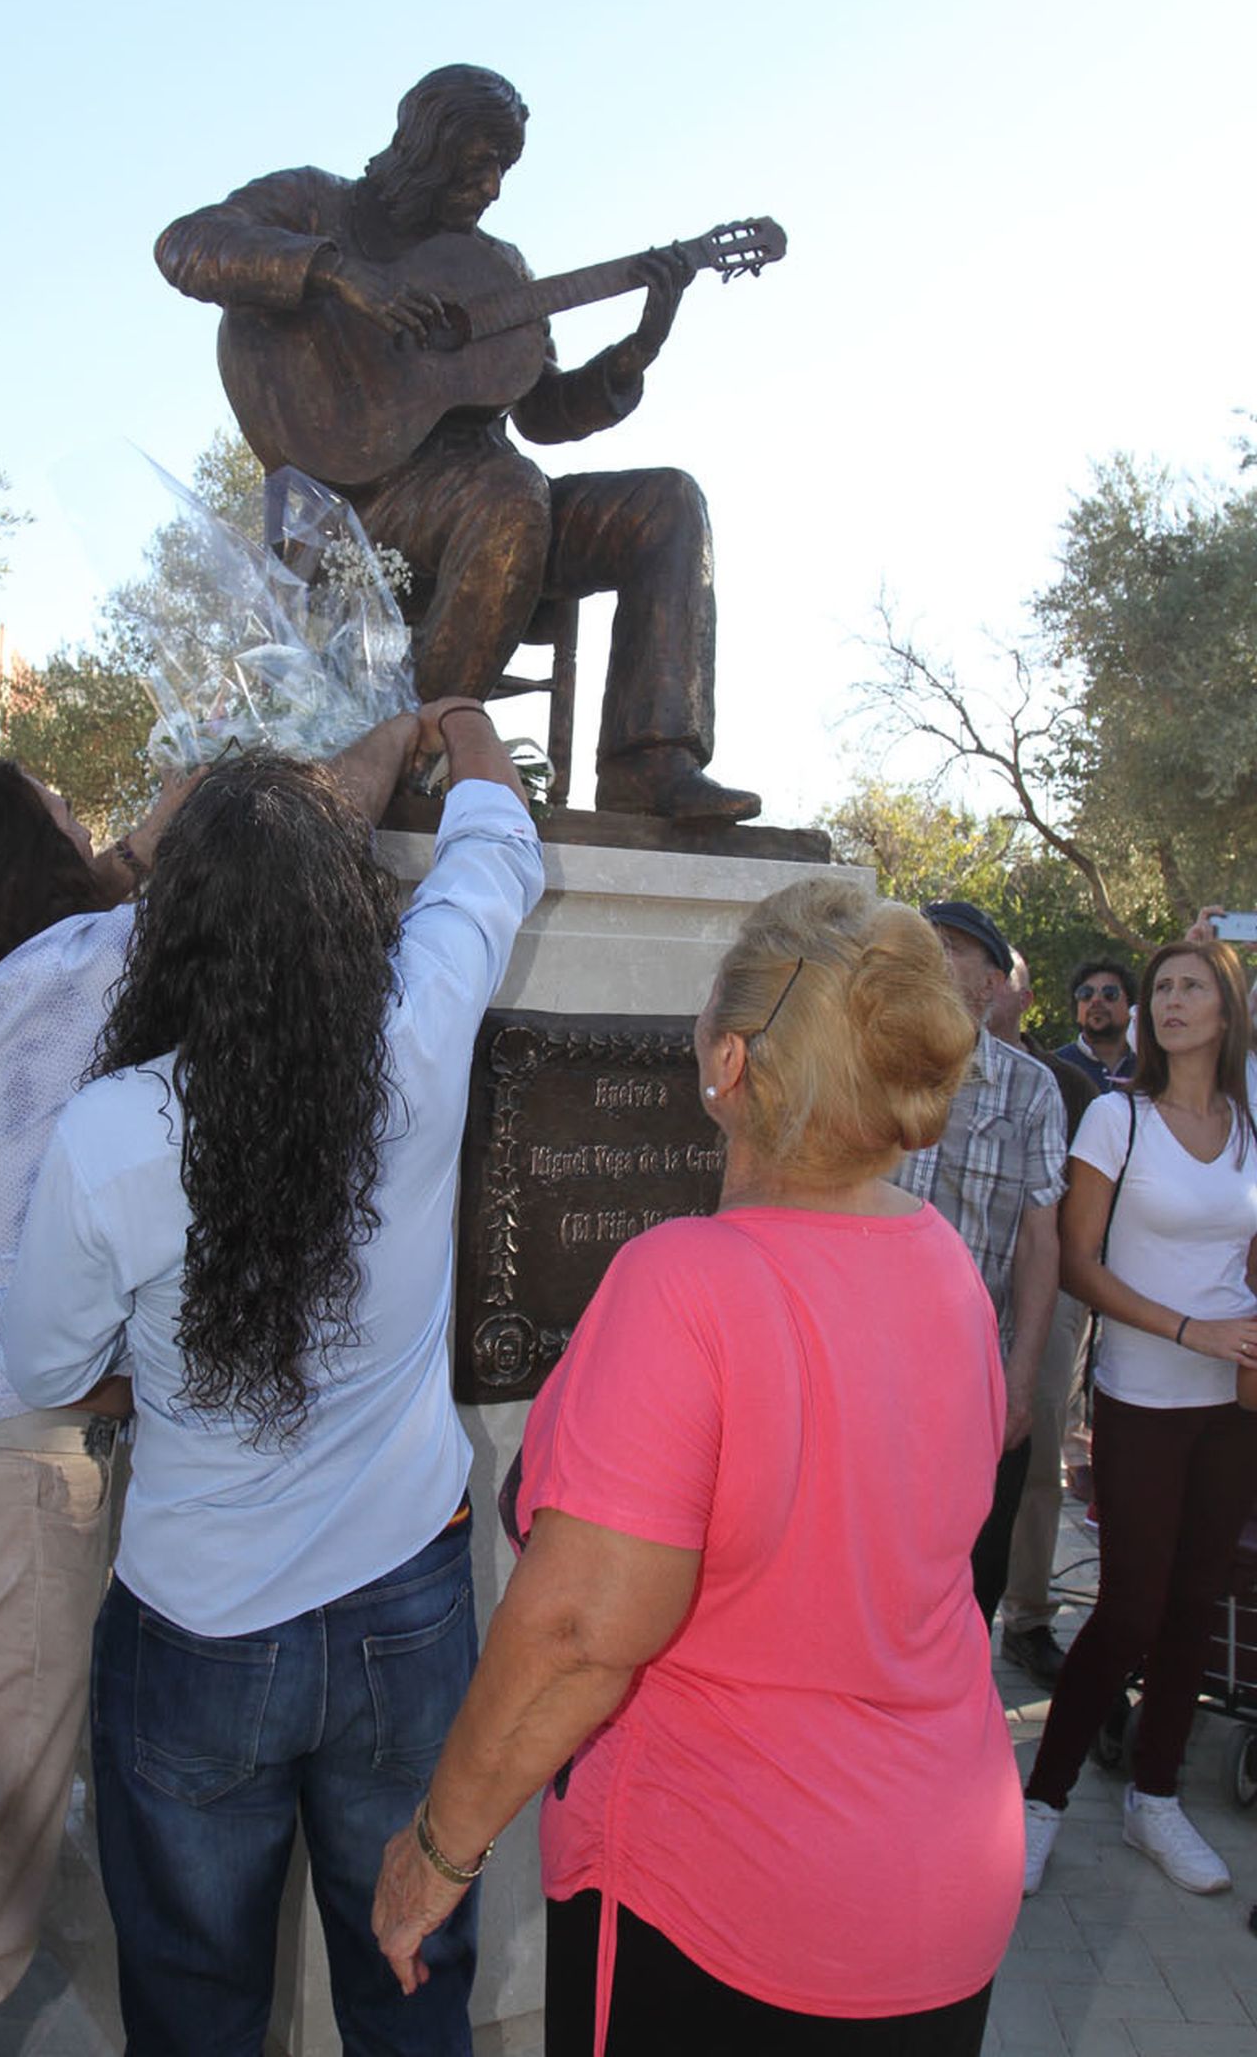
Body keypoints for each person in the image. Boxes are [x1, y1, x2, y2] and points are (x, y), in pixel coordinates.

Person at [0, 731, 416, 2057]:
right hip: (2, 1479)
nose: (80, 817)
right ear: (16, 862)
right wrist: (401, 731)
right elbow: (272, 850)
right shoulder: (54, 978)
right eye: (53, 809)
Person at [371, 875, 1021, 2055]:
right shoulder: (947, 1271)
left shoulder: (686, 1285)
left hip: (728, 1906)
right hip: (941, 1889)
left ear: (727, 1061)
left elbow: (575, 1633)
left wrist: (435, 1850)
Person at [1, 703, 542, 2057]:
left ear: (170, 930)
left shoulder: (112, 1129)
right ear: (344, 908)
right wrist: (465, 733)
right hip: (405, 1619)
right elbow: (495, 854)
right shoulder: (411, 1042)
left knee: (193, 2003)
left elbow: (46, 1365)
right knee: (410, 1975)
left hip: (196, 1626)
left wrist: (166, 1378)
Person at [156, 62, 757, 822]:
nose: (494, 188)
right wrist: (339, 278)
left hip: (492, 505)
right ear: (427, 151)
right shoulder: (316, 205)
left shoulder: (496, 268)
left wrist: (633, 354)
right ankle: (416, 758)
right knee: (511, 495)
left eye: (504, 169)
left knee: (666, 502)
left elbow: (543, 410)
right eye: (480, 166)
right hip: (353, 511)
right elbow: (186, 244)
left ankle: (650, 763)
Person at [1023, 938, 1257, 1898]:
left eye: (1189, 985)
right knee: (1126, 1608)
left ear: (1226, 1008)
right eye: (1160, 987)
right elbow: (1078, 1263)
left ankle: (1154, 1797)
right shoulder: (1118, 1119)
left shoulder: (1250, 1123)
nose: (1169, 1000)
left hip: (1234, 1407)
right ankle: (1042, 1802)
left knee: (1198, 1605)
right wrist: (1188, 1328)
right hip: (1141, 1397)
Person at [895, 901, 1067, 1630]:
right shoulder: (870, 1062)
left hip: (973, 1377)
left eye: (953, 946)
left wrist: (1021, 1381)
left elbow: (1039, 1243)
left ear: (993, 981)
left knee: (968, 1587)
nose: (932, 952)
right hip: (864, 1368)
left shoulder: (1031, 1090)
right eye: (923, 940)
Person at [989, 952, 1097, 1691]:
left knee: (1033, 1448)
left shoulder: (1066, 1085)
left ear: (1020, 995)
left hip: (1044, 1284)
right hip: (944, 1279)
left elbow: (1072, 1214)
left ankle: (1026, 1616)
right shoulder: (914, 1060)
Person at [1054, 957, 1137, 1093]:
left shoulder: (1152, 1068)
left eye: (1109, 993)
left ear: (1130, 1006)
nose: (1096, 1000)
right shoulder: (1053, 1069)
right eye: (1086, 994)